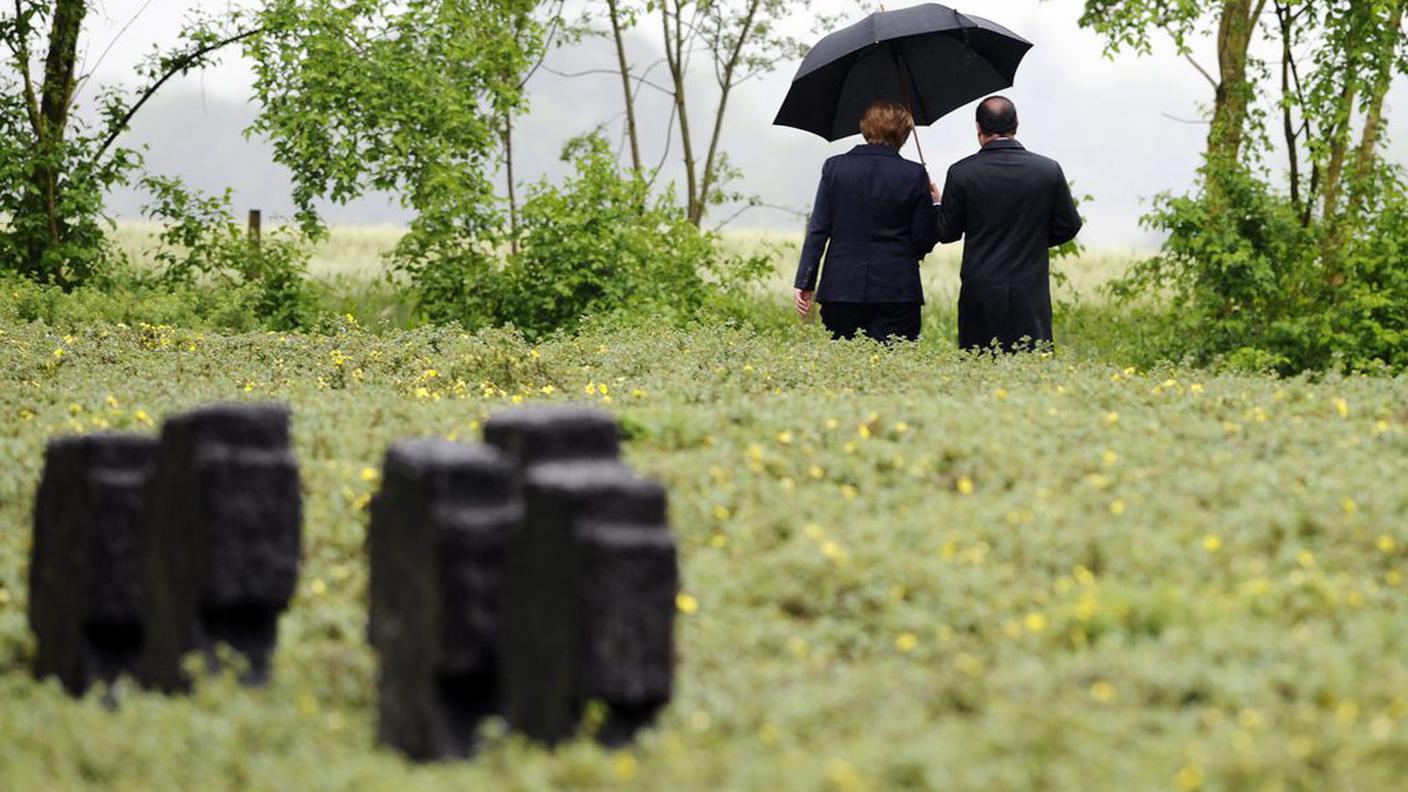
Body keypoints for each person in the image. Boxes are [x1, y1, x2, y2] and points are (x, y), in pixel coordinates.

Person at [933, 95, 1082, 352]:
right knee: (1033, 361)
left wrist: (937, 205)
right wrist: (1033, 238)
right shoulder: (1047, 170)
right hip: (1030, 289)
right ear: (1016, 125)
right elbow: (1069, 226)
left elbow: (947, 233)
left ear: (978, 128)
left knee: (979, 360)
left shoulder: (961, 173)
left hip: (980, 289)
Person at [793, 99, 939, 342]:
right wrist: (934, 204)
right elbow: (923, 240)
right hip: (897, 292)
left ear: (865, 127)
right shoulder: (914, 175)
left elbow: (818, 229)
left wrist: (805, 281)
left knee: (845, 369)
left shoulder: (835, 168)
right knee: (895, 370)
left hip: (841, 290)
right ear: (903, 133)